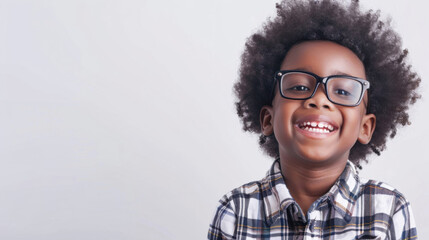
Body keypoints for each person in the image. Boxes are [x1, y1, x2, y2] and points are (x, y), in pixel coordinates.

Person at [207, 0, 420, 239]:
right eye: (298, 86)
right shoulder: (235, 211)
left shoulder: (389, 210)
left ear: (365, 127)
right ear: (268, 118)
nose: (319, 100)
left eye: (342, 92)